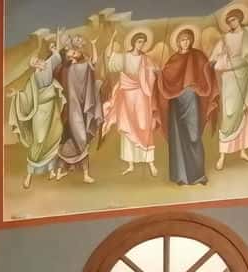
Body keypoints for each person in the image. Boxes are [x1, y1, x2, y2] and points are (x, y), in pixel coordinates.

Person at [210, 3, 248, 170]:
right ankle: (222, 155)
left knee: (245, 112)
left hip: (246, 75)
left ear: (239, 19)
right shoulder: (225, 38)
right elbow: (213, 58)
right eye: (229, 21)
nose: (232, 23)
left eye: (234, 19)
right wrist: (222, 55)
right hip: (230, 77)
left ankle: (243, 150)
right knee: (229, 113)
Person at [154, 26, 219, 185]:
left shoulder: (198, 56)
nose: (186, 42)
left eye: (188, 39)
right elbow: (166, 77)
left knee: (194, 135)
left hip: (191, 100)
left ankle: (198, 175)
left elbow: (205, 71)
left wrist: (210, 67)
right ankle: (181, 177)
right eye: (183, 39)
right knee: (178, 137)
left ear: (192, 40)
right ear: (178, 42)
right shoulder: (173, 59)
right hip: (176, 102)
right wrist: (159, 75)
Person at [7, 36, 66, 188]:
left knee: (53, 137)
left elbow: (57, 58)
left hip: (51, 109)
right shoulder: (33, 79)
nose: (38, 62)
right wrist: (16, 95)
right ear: (33, 67)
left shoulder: (48, 65)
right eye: (35, 62)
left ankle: (51, 170)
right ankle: (29, 175)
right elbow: (26, 96)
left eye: (38, 60)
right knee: (39, 140)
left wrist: (54, 50)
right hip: (39, 112)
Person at [103, 29, 160, 177]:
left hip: (142, 95)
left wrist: (154, 73)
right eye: (139, 42)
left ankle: (150, 163)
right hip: (127, 96)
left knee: (144, 126)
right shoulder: (125, 57)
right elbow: (110, 60)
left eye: (143, 42)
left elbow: (153, 73)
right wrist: (112, 39)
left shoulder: (146, 59)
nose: (141, 45)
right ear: (134, 42)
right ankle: (130, 164)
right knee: (129, 127)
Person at [56, 35, 103, 184]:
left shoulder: (83, 66)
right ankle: (68, 172)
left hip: (81, 109)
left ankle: (83, 174)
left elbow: (94, 62)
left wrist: (93, 45)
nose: (74, 53)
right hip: (70, 111)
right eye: (72, 52)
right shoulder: (66, 69)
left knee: (80, 140)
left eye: (76, 51)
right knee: (76, 140)